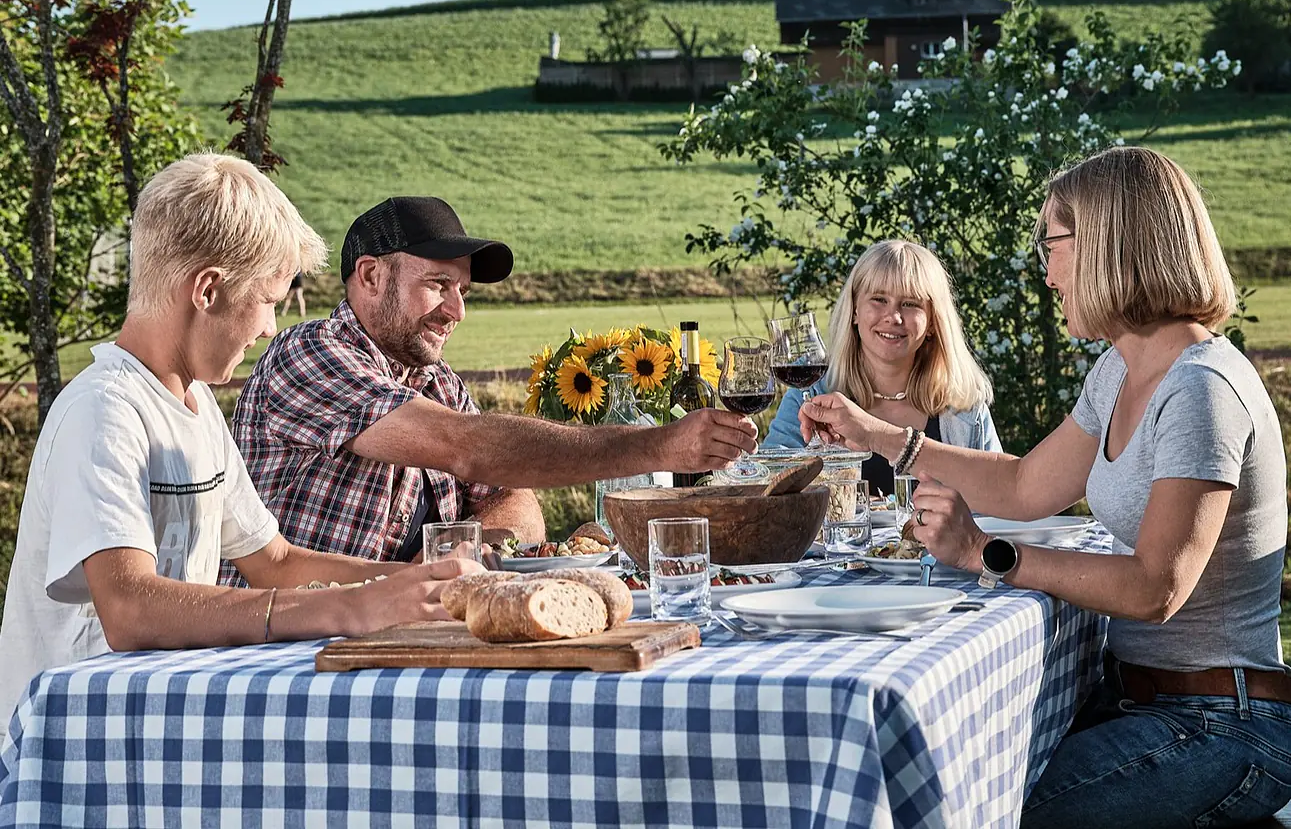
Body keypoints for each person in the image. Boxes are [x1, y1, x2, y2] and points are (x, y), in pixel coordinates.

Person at [800, 147, 1291, 826]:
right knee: (964, 768)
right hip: (1142, 700)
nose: (1048, 273)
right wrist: (882, 438)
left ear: (1109, 246)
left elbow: (1155, 589)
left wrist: (984, 553)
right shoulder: (1118, 372)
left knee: (998, 807)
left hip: (1223, 723)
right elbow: (1027, 485)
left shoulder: (1199, 389)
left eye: (1052, 247)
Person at [0, 154, 485, 724]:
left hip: (151, 719)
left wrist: (418, 583)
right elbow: (130, 609)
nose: (270, 327)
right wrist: (352, 607)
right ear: (207, 290)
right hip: (66, 744)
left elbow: (272, 561)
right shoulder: (104, 408)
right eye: (269, 300)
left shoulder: (195, 401)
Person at [225, 195, 757, 574]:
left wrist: (464, 551)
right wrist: (662, 446)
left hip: (399, 633)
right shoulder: (311, 354)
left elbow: (517, 499)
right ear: (369, 277)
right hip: (294, 647)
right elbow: (469, 449)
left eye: (463, 291)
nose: (456, 310)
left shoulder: (439, 384)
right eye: (438, 285)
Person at [763, 239, 1001, 495]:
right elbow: (769, 482)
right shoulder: (813, 388)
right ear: (854, 310)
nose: (893, 317)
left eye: (910, 304)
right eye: (879, 299)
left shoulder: (963, 406)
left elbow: (999, 497)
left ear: (933, 321)